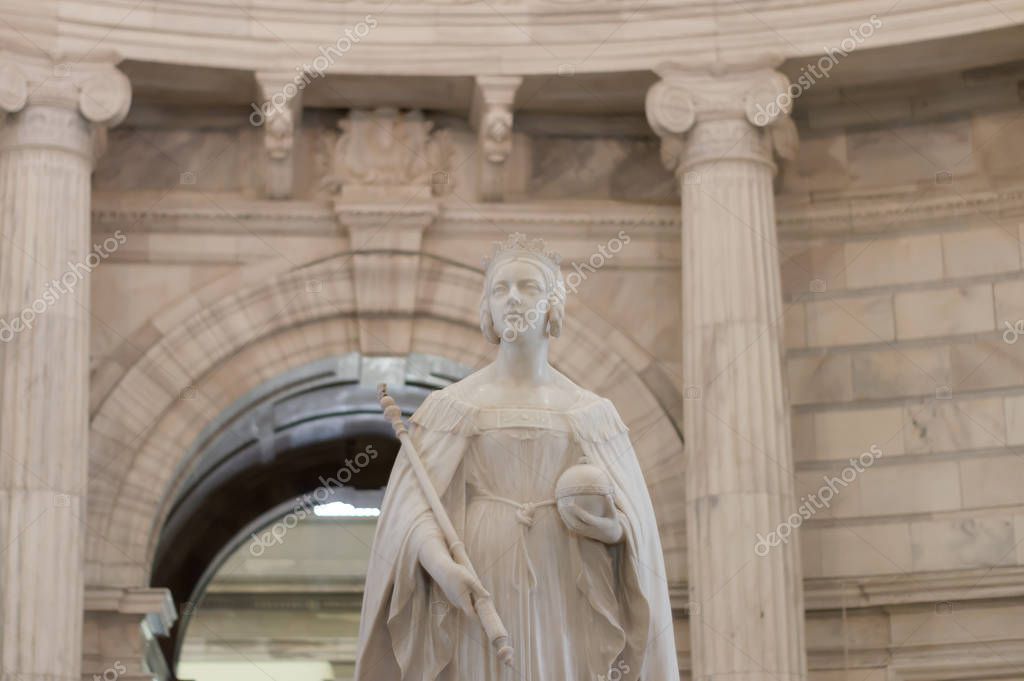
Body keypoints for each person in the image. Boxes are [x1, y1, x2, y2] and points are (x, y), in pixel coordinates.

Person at [355, 233, 678, 680]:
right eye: (500, 289)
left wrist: (612, 526)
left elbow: (635, 525)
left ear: (552, 306)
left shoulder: (591, 413)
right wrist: (443, 568)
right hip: (478, 570)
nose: (513, 299)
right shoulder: (450, 408)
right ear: (485, 308)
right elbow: (412, 512)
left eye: (528, 287)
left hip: (563, 573)